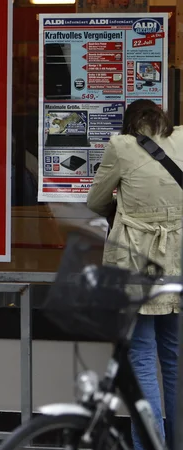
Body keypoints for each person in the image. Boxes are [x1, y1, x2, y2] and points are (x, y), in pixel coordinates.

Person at [87, 99, 182, 449]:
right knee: (172, 359)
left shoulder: (121, 146)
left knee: (141, 357)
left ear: (131, 126)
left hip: (137, 265)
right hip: (177, 262)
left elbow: (95, 201)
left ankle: (151, 445)